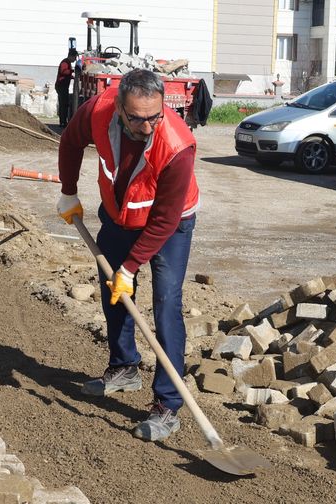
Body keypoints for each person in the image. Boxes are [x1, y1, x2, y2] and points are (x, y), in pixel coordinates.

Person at [55, 69, 199, 442]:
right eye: (136, 118)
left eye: (155, 117)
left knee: (166, 305)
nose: (147, 127)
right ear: (119, 107)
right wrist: (69, 191)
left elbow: (166, 218)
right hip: (120, 214)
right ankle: (124, 367)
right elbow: (70, 142)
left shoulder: (178, 145)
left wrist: (131, 267)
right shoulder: (98, 110)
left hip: (169, 227)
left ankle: (168, 405)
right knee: (113, 290)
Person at [55, 49, 79, 127]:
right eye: (75, 58)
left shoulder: (67, 62)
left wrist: (71, 76)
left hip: (63, 86)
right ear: (71, 56)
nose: (75, 60)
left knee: (64, 104)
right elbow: (63, 71)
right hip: (61, 86)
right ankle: (62, 122)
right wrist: (72, 71)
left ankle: (63, 121)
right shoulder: (65, 62)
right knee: (64, 104)